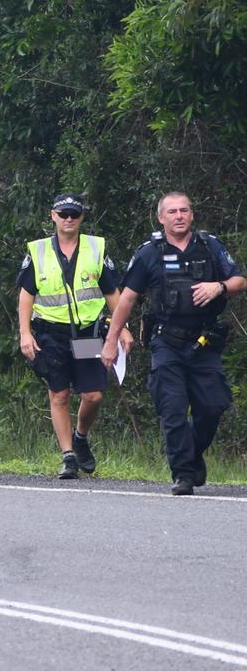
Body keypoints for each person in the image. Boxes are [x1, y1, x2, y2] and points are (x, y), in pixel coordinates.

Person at [101, 192, 245, 495]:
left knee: (213, 406)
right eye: (172, 212)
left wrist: (218, 287)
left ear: (191, 215)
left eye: (184, 210)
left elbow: (239, 281)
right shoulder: (149, 253)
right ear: (161, 218)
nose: (179, 216)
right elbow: (127, 299)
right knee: (173, 408)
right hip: (167, 342)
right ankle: (183, 474)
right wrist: (111, 341)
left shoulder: (209, 246)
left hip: (204, 342)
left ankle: (191, 456)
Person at [18, 194, 133, 479]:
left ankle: (81, 437)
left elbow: (112, 293)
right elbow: (26, 295)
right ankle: (68, 456)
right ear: (53, 216)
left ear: (82, 217)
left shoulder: (96, 248)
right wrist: (25, 333)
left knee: (93, 395)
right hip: (51, 333)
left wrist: (122, 329)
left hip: (87, 333)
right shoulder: (38, 250)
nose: (69, 218)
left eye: (74, 213)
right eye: (63, 213)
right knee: (59, 393)